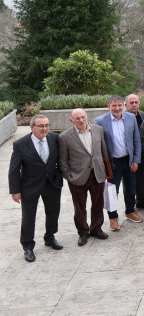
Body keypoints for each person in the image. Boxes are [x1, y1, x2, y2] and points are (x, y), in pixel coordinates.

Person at [9, 115, 63, 262]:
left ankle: (50, 237)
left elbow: (60, 159)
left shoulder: (54, 139)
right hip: (29, 185)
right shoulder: (20, 144)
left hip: (51, 183)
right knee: (29, 217)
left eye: (46, 125)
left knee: (53, 212)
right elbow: (14, 170)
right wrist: (15, 190)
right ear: (32, 127)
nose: (44, 128)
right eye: (40, 126)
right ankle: (27, 247)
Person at [58, 109, 110, 246]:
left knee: (98, 203)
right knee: (79, 207)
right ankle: (83, 232)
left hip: (97, 174)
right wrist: (69, 176)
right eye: (77, 118)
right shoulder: (64, 137)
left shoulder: (98, 130)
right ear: (71, 121)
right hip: (78, 177)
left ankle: (96, 229)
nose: (81, 120)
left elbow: (104, 150)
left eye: (83, 117)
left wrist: (105, 170)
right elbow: (63, 160)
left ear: (87, 117)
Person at [95, 95, 143, 231]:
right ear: (108, 106)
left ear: (123, 106)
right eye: (114, 106)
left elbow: (136, 140)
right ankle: (113, 217)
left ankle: (130, 211)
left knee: (131, 187)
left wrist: (135, 159)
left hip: (128, 159)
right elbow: (97, 144)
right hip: (112, 162)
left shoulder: (130, 118)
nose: (117, 108)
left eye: (119, 105)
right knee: (112, 191)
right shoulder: (100, 121)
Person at [125, 94, 144, 210]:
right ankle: (129, 207)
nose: (134, 105)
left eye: (136, 102)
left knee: (140, 178)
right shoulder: (123, 118)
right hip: (128, 155)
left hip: (142, 154)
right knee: (129, 181)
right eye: (131, 103)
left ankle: (141, 200)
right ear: (126, 105)